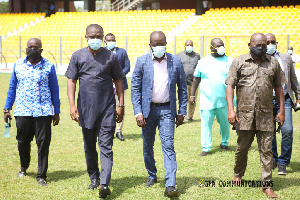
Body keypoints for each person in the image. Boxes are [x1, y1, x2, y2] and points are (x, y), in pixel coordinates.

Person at [65, 24, 124, 199]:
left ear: (103, 37)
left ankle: (104, 183)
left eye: (99, 36)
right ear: (86, 37)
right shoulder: (78, 56)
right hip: (85, 109)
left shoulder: (111, 57)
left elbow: (119, 81)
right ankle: (94, 177)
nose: (95, 39)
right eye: (92, 36)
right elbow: (71, 81)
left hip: (107, 109)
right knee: (89, 147)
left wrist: (121, 105)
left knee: (106, 147)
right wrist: (71, 105)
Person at [226, 33, 286, 198]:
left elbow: (279, 88)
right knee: (242, 148)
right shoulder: (239, 61)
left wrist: (282, 110)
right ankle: (238, 174)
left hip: (266, 115)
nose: (260, 47)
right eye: (257, 44)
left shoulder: (273, 62)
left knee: (266, 150)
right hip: (244, 115)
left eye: (264, 45)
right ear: (249, 45)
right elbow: (230, 86)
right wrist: (231, 109)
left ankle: (266, 185)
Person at [131, 31, 187, 198]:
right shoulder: (141, 61)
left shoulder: (175, 61)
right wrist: (138, 112)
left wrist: (181, 111)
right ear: (150, 45)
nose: (158, 46)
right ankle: (152, 175)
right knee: (147, 146)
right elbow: (135, 89)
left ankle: (170, 184)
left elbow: (182, 89)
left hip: (167, 111)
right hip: (147, 112)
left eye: (161, 43)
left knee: (168, 146)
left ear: (166, 43)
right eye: (155, 44)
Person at [3, 38, 60, 186]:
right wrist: (6, 108)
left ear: (41, 49)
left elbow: (54, 89)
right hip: (23, 110)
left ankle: (41, 175)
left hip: (44, 111)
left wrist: (57, 111)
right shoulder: (18, 65)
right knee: (22, 141)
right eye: (30, 47)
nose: (32, 49)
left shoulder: (49, 66)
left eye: (36, 47)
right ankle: (24, 166)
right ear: (26, 49)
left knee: (43, 143)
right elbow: (12, 89)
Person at [190, 38, 233, 156]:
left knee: (225, 124)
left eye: (222, 45)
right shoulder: (203, 61)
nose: (221, 48)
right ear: (211, 48)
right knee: (206, 124)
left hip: (224, 101)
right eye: (218, 46)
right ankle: (206, 147)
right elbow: (196, 78)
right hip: (207, 100)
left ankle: (224, 142)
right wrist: (192, 95)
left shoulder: (230, 61)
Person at [266, 33, 300, 175]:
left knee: (287, 130)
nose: (270, 44)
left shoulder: (286, 58)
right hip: (266, 100)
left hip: (284, 99)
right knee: (270, 133)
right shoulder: (261, 59)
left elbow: (293, 79)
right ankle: (273, 159)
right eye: (267, 42)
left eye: (272, 42)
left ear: (277, 43)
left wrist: (298, 96)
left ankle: (283, 162)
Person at [105, 33, 130, 141]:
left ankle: (119, 131)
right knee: (107, 108)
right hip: (105, 85)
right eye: (109, 40)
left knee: (120, 106)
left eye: (112, 40)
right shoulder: (101, 52)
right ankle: (109, 130)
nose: (111, 42)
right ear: (105, 41)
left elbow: (127, 67)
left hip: (120, 85)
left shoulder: (122, 52)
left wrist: (117, 76)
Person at [176, 40, 200, 122]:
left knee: (193, 100)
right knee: (183, 100)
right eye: (187, 45)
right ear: (184, 46)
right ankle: (183, 115)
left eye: (191, 45)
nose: (189, 46)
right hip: (183, 82)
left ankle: (190, 117)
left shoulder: (197, 56)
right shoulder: (179, 55)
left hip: (194, 83)